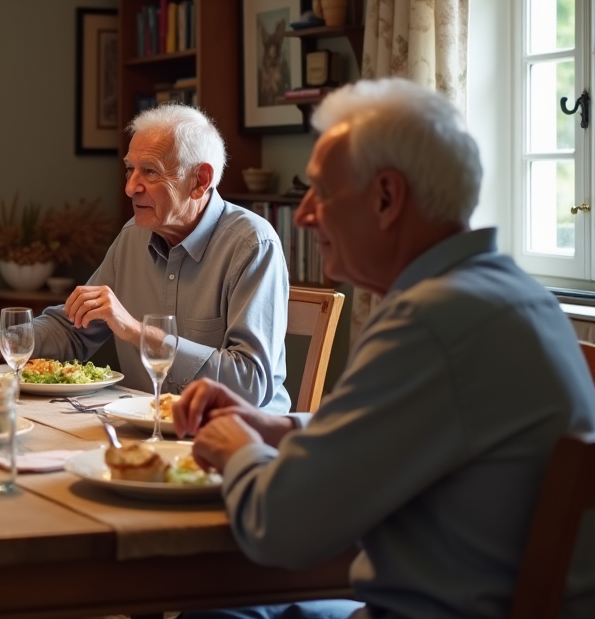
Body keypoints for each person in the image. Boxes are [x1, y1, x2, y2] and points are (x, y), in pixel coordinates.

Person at [172, 78, 595, 619]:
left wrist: (235, 446)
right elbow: (415, 434)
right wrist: (273, 426)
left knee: (215, 609)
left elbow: (279, 529)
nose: (302, 215)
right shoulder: (514, 294)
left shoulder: (430, 321)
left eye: (320, 192)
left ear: (387, 198)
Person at [0, 103, 290, 409]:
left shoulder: (252, 245)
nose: (130, 187)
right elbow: (73, 328)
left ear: (199, 181)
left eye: (150, 172)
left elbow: (251, 383)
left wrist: (136, 331)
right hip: (142, 425)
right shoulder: (134, 235)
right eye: (130, 170)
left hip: (233, 439)